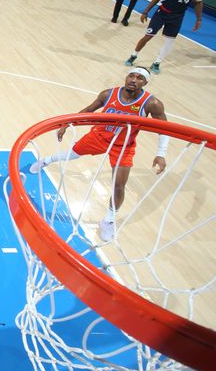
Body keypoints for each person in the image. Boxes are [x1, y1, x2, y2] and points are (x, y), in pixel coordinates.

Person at [29, 67, 168, 242]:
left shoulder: (152, 103)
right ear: (126, 77)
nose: (134, 79)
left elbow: (164, 129)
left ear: (145, 83)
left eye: (140, 78)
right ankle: (47, 160)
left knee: (119, 186)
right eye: (131, 75)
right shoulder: (108, 94)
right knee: (72, 154)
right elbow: (89, 110)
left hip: (123, 145)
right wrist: (67, 123)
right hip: (99, 137)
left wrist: (161, 154)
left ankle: (108, 221)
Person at [124, 0, 208, 74]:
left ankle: (157, 63)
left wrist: (199, 19)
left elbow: (198, 2)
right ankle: (133, 55)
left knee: (169, 42)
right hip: (162, 12)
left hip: (177, 16)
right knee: (148, 36)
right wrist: (146, 11)